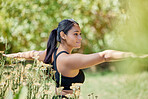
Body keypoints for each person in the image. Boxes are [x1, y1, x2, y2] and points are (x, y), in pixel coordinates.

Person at [3, 19, 137, 99]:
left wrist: (7, 56)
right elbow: (104, 56)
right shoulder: (67, 60)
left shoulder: (50, 54)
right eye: (76, 34)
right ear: (63, 35)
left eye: (80, 34)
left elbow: (30, 54)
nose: (80, 38)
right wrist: (133, 55)